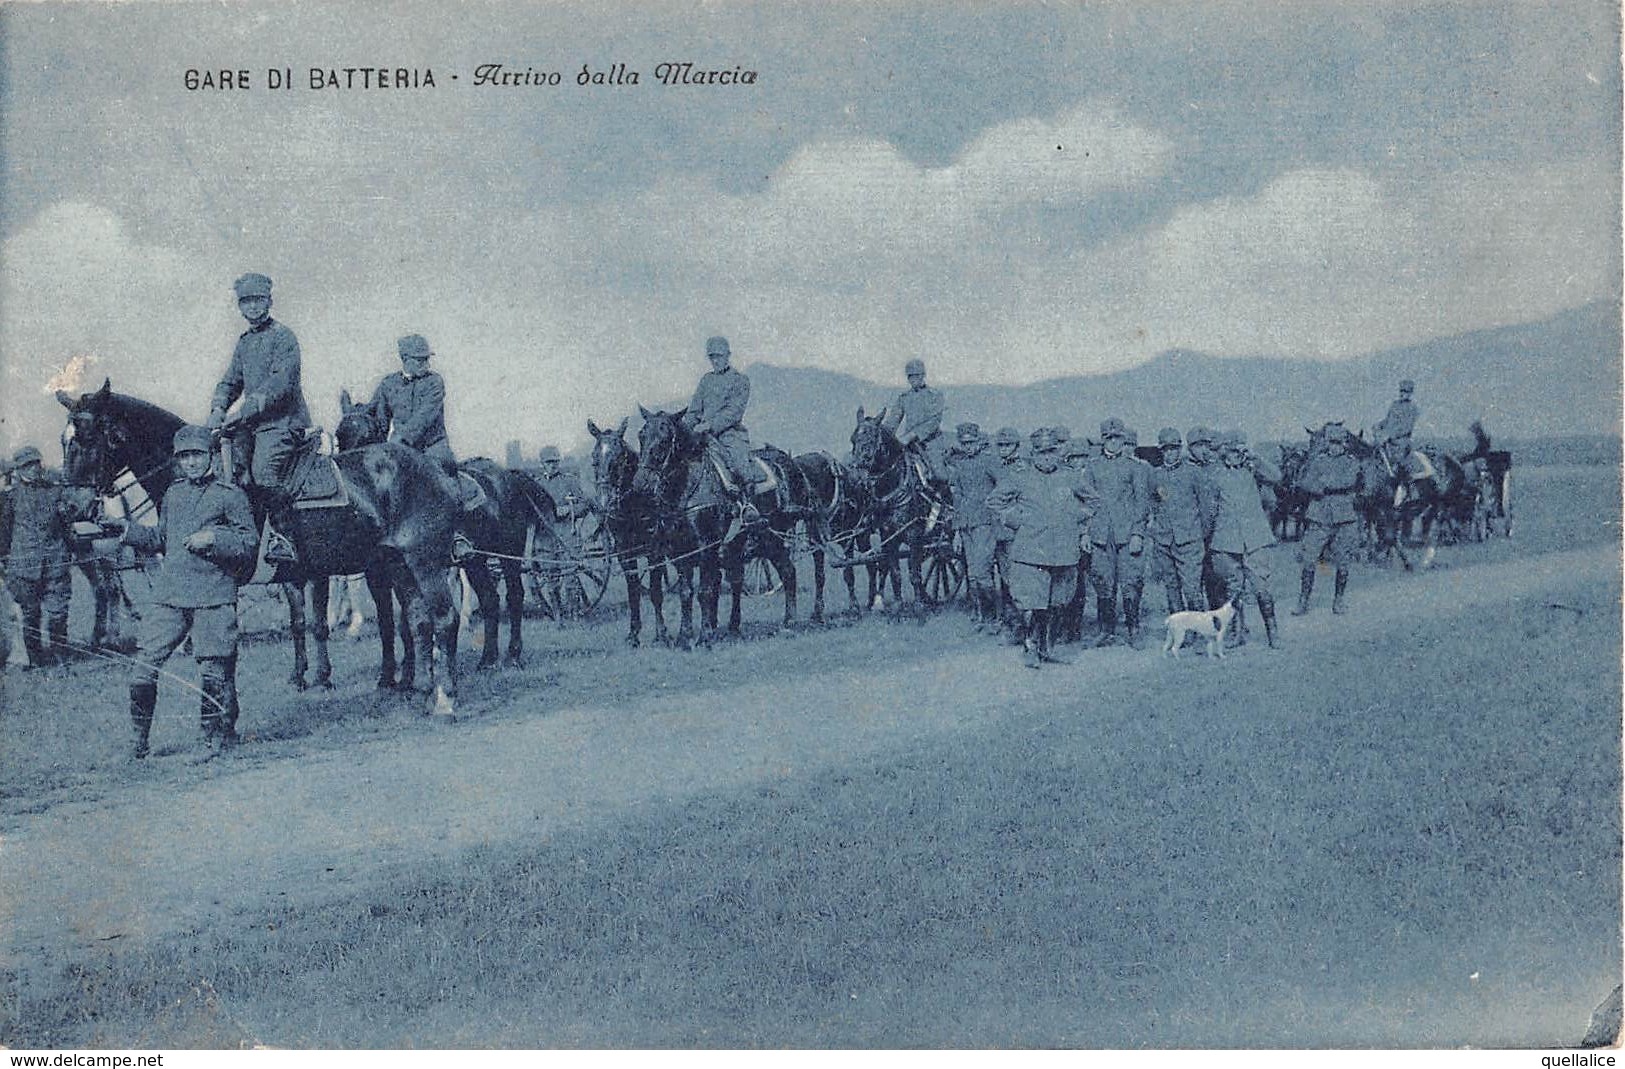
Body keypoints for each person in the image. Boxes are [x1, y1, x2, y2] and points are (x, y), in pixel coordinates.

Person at [118, 425, 259, 758]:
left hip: (213, 594)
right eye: (185, 457)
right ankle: (138, 744)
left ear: (209, 456)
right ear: (178, 460)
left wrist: (214, 539)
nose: (191, 463)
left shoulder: (230, 494)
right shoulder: (173, 493)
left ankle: (212, 739)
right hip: (170, 595)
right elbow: (160, 540)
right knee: (143, 667)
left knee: (213, 669)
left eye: (197, 455)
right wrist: (125, 530)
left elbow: (249, 543)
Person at [207, 273, 312, 566]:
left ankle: (284, 540)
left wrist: (243, 410)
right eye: (246, 302)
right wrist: (218, 406)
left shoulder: (283, 337)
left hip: (283, 423)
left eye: (258, 300)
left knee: (264, 473)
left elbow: (282, 383)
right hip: (253, 426)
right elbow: (231, 381)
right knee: (226, 471)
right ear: (240, 307)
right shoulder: (244, 343)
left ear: (269, 301)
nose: (252, 307)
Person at [987, 428, 1099, 668]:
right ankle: (1030, 647)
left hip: (1063, 551)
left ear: (1057, 452)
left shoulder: (1070, 477)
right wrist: (1015, 519)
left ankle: (1047, 648)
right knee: (1032, 602)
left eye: (1051, 452)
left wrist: (1077, 518)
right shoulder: (1020, 476)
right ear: (1033, 453)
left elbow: (1093, 500)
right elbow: (995, 501)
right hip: (1031, 551)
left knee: (1058, 602)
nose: (1047, 457)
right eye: (1041, 452)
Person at [3, 446, 76, 668]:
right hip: (23, 568)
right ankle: (35, 662)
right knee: (31, 616)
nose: (33, 469)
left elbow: (67, 526)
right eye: (27, 465)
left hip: (56, 565)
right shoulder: (9, 498)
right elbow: (4, 532)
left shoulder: (56, 492)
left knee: (58, 614)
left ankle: (60, 660)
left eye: (36, 463)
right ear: (18, 470)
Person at [1208, 430, 1283, 649]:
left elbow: (1276, 477)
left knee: (1262, 588)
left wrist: (1255, 457)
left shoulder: (1253, 471)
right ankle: (1237, 633)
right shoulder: (1215, 475)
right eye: (1231, 451)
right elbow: (1210, 508)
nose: (1235, 456)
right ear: (1224, 453)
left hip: (1255, 539)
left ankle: (1272, 632)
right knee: (1233, 590)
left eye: (1239, 451)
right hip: (1226, 540)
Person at [681, 336, 769, 515]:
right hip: (703, 437)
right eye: (712, 357)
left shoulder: (740, 380)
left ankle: (748, 507)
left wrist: (709, 426)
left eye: (719, 356)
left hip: (730, 436)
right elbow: (694, 410)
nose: (716, 361)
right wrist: (685, 428)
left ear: (728, 355)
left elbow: (734, 413)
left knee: (740, 467)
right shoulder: (706, 380)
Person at [1086, 417, 1151, 647]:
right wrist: (1085, 532)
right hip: (1100, 534)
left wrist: (1137, 534)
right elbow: (1085, 502)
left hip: (1127, 534)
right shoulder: (1092, 466)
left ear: (1123, 440)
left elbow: (1142, 503)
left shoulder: (1135, 467)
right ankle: (1107, 630)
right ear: (1102, 440)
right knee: (1103, 581)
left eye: (1117, 438)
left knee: (1130, 582)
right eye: (1108, 438)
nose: (1113, 442)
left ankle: (1133, 629)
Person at [1293, 422, 1362, 616]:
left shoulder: (1351, 462)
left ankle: (1338, 600)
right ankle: (1303, 601)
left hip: (1344, 519)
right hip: (1319, 518)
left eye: (1338, 443)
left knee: (1343, 562)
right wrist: (1320, 486)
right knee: (1309, 559)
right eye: (1332, 442)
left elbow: (1347, 481)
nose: (1335, 447)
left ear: (1345, 444)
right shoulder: (1318, 461)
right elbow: (1305, 482)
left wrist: (1323, 483)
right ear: (1327, 443)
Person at [368, 334, 455, 476]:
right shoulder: (388, 383)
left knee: (446, 482)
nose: (427, 364)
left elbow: (423, 418)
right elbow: (380, 420)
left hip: (433, 448)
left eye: (427, 359)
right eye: (420, 360)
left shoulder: (434, 382)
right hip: (399, 448)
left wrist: (400, 438)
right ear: (405, 359)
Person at [945, 423, 1001, 631]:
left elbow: (1004, 486)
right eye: (964, 443)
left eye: (971, 442)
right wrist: (957, 531)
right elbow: (956, 498)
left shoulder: (989, 462)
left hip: (985, 524)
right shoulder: (959, 466)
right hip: (966, 525)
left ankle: (995, 617)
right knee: (973, 574)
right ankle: (981, 616)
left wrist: (992, 505)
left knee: (983, 571)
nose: (968, 446)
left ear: (978, 441)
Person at [1148, 428, 1208, 619]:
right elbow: (1154, 502)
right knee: (1171, 588)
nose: (1170, 453)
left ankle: (1199, 632)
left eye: (1174, 449)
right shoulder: (1155, 475)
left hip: (1189, 541)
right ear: (1161, 451)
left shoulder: (1193, 473)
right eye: (1166, 449)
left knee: (1192, 589)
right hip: (1164, 541)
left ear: (1180, 449)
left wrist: (1199, 534)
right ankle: (1181, 629)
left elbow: (1206, 508)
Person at [534, 446, 594, 620]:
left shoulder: (570, 481)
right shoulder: (538, 484)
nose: (552, 465)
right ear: (542, 464)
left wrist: (568, 509)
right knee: (550, 577)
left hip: (568, 534)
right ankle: (557, 614)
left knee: (570, 577)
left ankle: (574, 614)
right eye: (548, 462)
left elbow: (584, 504)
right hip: (545, 538)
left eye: (555, 462)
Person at [880, 358, 948, 491]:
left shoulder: (934, 395)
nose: (914, 379)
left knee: (940, 475)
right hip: (909, 444)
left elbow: (933, 422)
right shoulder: (904, 398)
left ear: (923, 376)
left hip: (930, 444)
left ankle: (947, 506)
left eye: (917, 376)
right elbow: (893, 420)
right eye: (910, 376)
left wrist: (912, 435)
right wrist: (883, 434)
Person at [1374, 378, 1419, 476]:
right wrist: (1378, 425)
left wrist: (1390, 436)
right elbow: (1387, 420)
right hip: (1387, 440)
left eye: (1406, 391)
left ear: (1410, 393)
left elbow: (1407, 427)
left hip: (1401, 442)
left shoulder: (1412, 407)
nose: (1402, 393)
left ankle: (1402, 486)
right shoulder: (1394, 405)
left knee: (1398, 466)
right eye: (1401, 391)